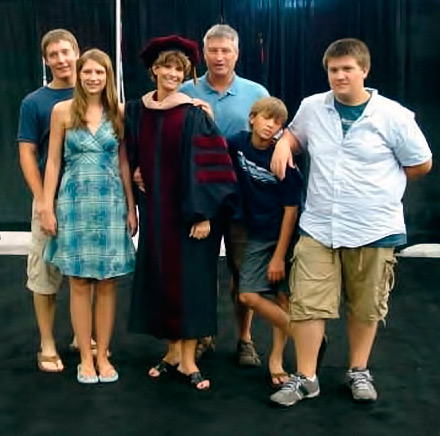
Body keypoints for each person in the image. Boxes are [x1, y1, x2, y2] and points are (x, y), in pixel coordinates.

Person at [269, 38, 432, 406]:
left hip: (373, 227)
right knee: (307, 302)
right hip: (320, 225)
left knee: (365, 304)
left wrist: (381, 189)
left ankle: (359, 370)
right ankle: (306, 377)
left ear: (364, 71)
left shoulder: (394, 116)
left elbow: (421, 163)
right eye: (333, 70)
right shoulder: (313, 107)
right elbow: (296, 134)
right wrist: (284, 143)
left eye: (347, 69)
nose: (339, 76)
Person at [125, 35, 237, 391]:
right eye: (167, 67)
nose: (173, 73)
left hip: (191, 214)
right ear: (154, 70)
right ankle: (173, 351)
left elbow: (213, 167)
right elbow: (130, 155)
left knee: (191, 282)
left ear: (186, 73)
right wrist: (137, 172)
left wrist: (203, 214)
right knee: (161, 278)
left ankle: (189, 358)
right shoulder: (136, 110)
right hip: (157, 214)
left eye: (180, 68)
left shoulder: (194, 112)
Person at [41, 49, 136, 384]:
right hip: (74, 203)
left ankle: (103, 354)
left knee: (108, 283)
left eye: (100, 73)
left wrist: (131, 205)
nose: (93, 78)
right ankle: (84, 357)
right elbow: (53, 162)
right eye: (88, 72)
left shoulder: (119, 112)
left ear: (108, 76)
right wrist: (46, 205)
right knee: (79, 284)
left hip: (110, 203)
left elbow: (124, 161)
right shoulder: (62, 111)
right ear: (79, 75)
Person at [180, 24, 270, 366]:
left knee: (243, 272)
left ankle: (245, 339)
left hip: (242, 198)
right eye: (213, 50)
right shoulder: (185, 90)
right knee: (200, 271)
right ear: (203, 53)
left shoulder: (256, 92)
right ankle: (203, 334)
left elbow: (270, 138)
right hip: (199, 198)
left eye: (225, 51)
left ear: (237, 53)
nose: (219, 57)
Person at [228, 97, 302, 387]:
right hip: (255, 232)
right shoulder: (237, 144)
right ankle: (303, 333)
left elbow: (291, 210)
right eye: (266, 118)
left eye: (277, 122)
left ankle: (276, 360)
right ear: (252, 118)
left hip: (284, 236)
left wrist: (278, 256)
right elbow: (207, 148)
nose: (270, 125)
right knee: (247, 295)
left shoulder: (283, 158)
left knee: (282, 297)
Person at [17, 29, 79, 372]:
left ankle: (82, 337)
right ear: (47, 60)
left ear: (77, 53)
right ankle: (47, 342)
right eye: (53, 54)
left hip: (86, 201)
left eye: (65, 52)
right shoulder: (35, 102)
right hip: (51, 199)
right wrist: (42, 201)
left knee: (85, 275)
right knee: (45, 272)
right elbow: (27, 153)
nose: (61, 59)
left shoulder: (97, 94)